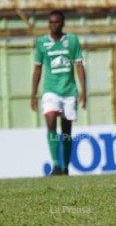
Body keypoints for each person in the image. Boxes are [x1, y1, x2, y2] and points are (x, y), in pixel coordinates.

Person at [31, 10, 86, 176]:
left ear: (62, 23)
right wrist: (33, 94)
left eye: (56, 22)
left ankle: (66, 167)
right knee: (50, 121)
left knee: (67, 131)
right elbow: (38, 68)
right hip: (50, 90)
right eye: (50, 22)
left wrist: (84, 90)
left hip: (69, 91)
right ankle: (55, 164)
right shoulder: (41, 43)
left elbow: (79, 65)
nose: (53, 25)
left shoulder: (72, 41)